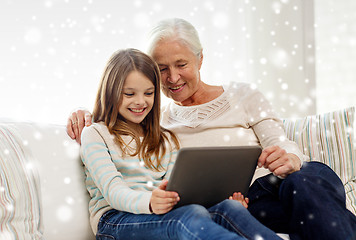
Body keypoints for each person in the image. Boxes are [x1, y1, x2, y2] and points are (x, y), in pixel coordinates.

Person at [68, 19, 356, 240]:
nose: (173, 77)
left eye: (181, 64)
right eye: (162, 69)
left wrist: (289, 157)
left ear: (200, 60)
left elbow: (282, 142)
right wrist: (90, 113)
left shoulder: (242, 96)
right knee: (318, 211)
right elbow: (121, 115)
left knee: (305, 179)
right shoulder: (158, 123)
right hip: (241, 205)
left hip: (278, 187)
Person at [80, 48, 282, 240]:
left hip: (159, 215)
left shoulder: (165, 139)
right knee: (186, 218)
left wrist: (218, 202)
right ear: (110, 92)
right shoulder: (95, 134)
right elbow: (114, 192)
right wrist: (150, 202)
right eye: (129, 94)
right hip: (114, 221)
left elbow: (177, 191)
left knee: (228, 209)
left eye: (149, 93)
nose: (140, 102)